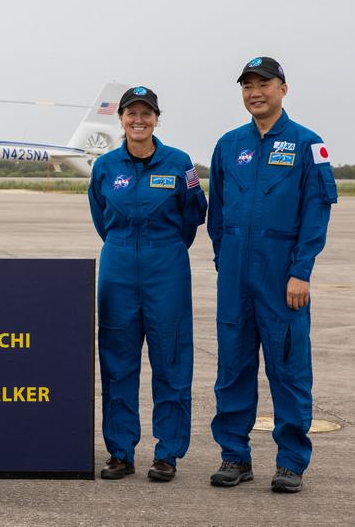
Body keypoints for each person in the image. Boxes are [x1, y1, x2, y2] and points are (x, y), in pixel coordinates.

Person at [207, 57, 337, 493]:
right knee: (232, 368)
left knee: (288, 368)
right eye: (247, 85)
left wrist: (301, 271)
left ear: (284, 89)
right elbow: (217, 212)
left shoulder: (308, 144)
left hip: (283, 277)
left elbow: (317, 211)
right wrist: (224, 260)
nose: (254, 92)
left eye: (264, 84)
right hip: (235, 277)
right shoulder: (228, 145)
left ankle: (291, 462)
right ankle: (234, 456)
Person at [89, 86, 207, 482]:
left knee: (171, 360)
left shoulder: (179, 163)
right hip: (118, 266)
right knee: (117, 362)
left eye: (146, 113)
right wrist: (126, 246)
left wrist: (165, 246)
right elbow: (100, 217)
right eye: (131, 113)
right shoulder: (105, 166)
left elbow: (194, 214)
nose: (139, 120)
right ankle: (120, 451)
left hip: (166, 266)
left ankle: (168, 454)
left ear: (157, 118)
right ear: (120, 119)